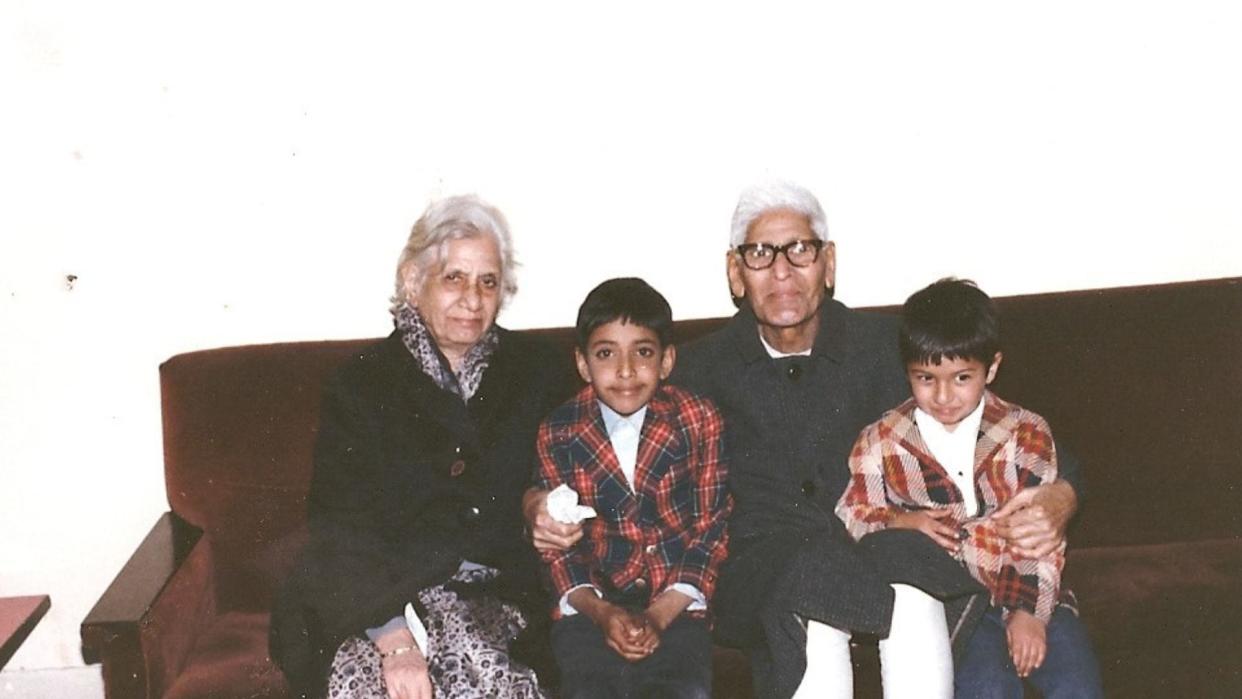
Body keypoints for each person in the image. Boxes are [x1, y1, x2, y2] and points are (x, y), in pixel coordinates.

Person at [526, 180, 1084, 699]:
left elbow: (1010, 423)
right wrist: (537, 504)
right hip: (765, 569)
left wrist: (1062, 496)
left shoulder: (892, 349)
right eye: (761, 255)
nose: (783, 272)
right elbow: (589, 433)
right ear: (736, 272)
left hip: (880, 549)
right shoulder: (693, 369)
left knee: (914, 592)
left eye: (800, 250)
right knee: (811, 597)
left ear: (829, 263)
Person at [270, 195, 574, 699]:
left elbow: (571, 474)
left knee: (482, 668)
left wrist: (544, 509)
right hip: (378, 599)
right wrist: (394, 641)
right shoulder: (361, 386)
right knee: (374, 683)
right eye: (454, 278)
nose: (473, 299)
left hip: (499, 595)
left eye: (488, 282)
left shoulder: (537, 373)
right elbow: (339, 526)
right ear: (414, 282)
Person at [836, 278, 1103, 698]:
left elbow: (1040, 535)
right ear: (906, 370)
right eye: (925, 378)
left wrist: (1027, 612)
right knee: (987, 687)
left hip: (1032, 589)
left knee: (1077, 684)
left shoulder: (1026, 432)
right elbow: (852, 513)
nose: (943, 396)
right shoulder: (881, 439)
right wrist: (902, 521)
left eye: (962, 377)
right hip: (955, 606)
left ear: (991, 368)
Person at [533, 277, 731, 698]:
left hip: (677, 603)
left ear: (666, 361)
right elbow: (556, 549)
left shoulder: (698, 419)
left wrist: (660, 615)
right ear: (583, 364)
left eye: (643, 352)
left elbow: (711, 528)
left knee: (680, 689)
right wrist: (601, 612)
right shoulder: (559, 430)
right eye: (606, 354)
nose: (625, 371)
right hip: (591, 606)